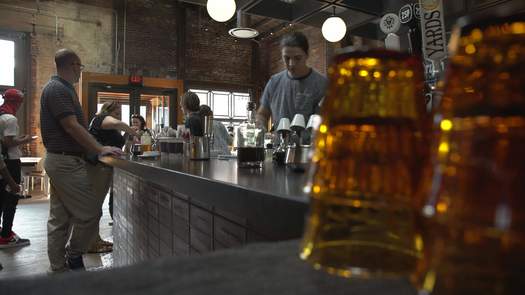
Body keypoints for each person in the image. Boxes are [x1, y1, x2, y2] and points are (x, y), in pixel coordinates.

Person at [40, 48, 121, 272]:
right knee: (90, 213)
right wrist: (100, 148)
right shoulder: (58, 89)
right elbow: (71, 126)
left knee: (60, 219)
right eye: (80, 67)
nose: (79, 72)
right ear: (73, 65)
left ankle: (58, 268)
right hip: (65, 162)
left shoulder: (61, 89)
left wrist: (93, 152)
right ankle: (74, 256)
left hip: (62, 160)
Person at [87, 101, 138, 253]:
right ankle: (90, 243)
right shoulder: (100, 119)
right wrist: (133, 130)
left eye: (119, 113)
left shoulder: (109, 127)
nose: (118, 116)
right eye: (116, 113)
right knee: (94, 206)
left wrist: (129, 135)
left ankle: (94, 239)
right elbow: (115, 123)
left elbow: (125, 148)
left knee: (96, 206)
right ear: (107, 111)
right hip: (97, 166)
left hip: (105, 167)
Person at [256, 31, 328, 130]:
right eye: (286, 58)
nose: (291, 64)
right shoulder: (274, 82)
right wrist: (260, 127)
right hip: (279, 144)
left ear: (307, 55)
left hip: (310, 144)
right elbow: (262, 114)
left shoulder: (322, 84)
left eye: (297, 58)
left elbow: (328, 119)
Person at [0, 88, 33, 248]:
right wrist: (25, 140)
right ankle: (6, 235)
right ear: (17, 102)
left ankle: (3, 232)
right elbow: (8, 142)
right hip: (11, 162)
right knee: (12, 198)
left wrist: (17, 139)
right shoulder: (11, 119)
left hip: (3, 161)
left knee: (0, 198)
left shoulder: (1, 115)